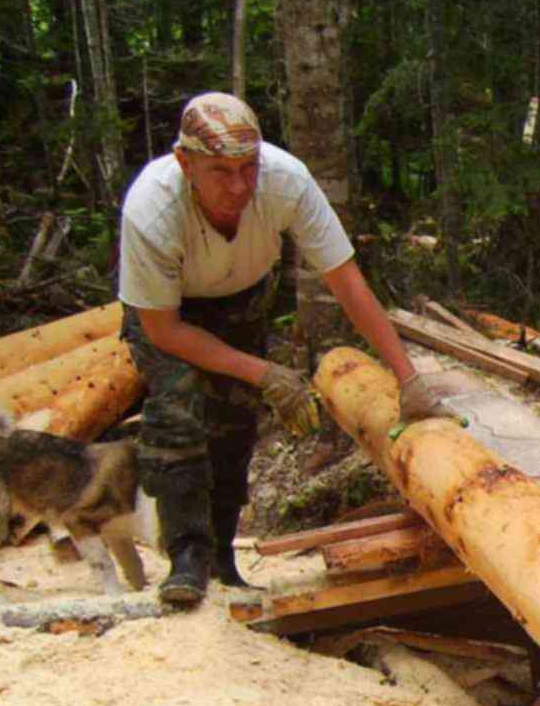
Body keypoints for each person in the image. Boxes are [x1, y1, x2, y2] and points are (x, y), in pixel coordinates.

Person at [118, 92, 459, 606]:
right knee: (178, 409)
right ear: (185, 163)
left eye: (248, 168)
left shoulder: (287, 181)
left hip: (242, 296)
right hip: (168, 314)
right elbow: (164, 331)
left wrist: (408, 379)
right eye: (221, 171)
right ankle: (186, 555)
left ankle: (222, 559)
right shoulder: (151, 208)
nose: (238, 185)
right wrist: (264, 371)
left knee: (234, 424)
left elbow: (346, 281)